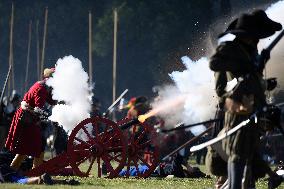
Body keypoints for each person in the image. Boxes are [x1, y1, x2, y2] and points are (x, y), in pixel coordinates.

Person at [209, 10, 282, 189]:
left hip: (253, 109)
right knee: (238, 155)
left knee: (249, 156)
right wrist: (248, 67)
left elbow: (252, 81)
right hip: (237, 111)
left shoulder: (250, 52)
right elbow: (218, 73)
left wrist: (264, 83)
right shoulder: (230, 50)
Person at [5, 68, 56, 171]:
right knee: (26, 149)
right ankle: (12, 172)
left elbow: (51, 100)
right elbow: (38, 109)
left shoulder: (44, 87)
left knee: (37, 146)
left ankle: (34, 171)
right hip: (26, 119)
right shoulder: (41, 88)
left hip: (30, 119)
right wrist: (48, 115)